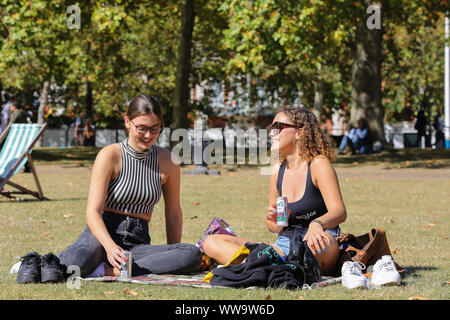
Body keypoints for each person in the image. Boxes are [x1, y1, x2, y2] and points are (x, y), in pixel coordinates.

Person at [16, 95, 202, 283]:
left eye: (155, 128)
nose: (148, 135)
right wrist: (110, 246)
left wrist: (173, 256)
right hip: (100, 235)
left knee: (191, 255)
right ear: (127, 122)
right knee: (66, 268)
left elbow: (173, 214)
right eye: (142, 128)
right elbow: (93, 211)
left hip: (136, 242)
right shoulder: (110, 155)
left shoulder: (168, 161)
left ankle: (103, 269)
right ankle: (42, 263)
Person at [203, 107, 347, 275]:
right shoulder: (277, 169)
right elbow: (273, 226)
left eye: (278, 127)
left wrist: (317, 224)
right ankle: (272, 265)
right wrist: (278, 222)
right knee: (211, 242)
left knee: (313, 247)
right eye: (271, 128)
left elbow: (339, 211)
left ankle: (258, 265)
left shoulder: (318, 164)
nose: (271, 134)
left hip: (319, 240)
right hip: (284, 245)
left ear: (300, 132)